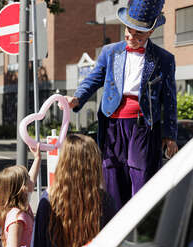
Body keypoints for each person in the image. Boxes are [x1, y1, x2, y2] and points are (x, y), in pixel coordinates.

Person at [65, 0, 178, 212]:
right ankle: (114, 225)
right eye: (129, 31)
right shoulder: (110, 52)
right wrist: (77, 98)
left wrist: (170, 135)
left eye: (138, 35)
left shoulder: (164, 59)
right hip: (112, 123)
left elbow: (170, 100)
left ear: (150, 32)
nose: (131, 37)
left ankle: (139, 224)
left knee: (142, 175)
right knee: (112, 173)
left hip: (143, 126)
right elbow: (93, 79)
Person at [31, 134, 115, 247]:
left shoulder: (48, 201)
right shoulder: (104, 200)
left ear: (63, 163)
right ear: (94, 165)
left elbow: (37, 245)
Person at [0, 144, 41, 247]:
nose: (31, 180)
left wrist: (37, 158)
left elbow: (32, 179)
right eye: (27, 178)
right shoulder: (17, 218)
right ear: (23, 188)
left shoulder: (23, 206)